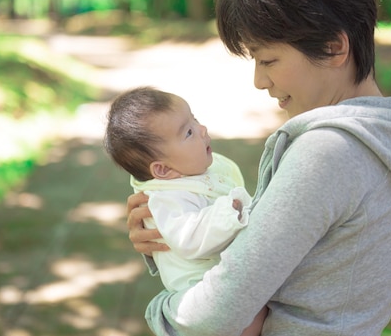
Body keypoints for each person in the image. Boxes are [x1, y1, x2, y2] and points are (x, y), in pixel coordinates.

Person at [125, 0, 391, 336]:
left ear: (334, 47)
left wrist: (161, 308)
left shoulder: (328, 153)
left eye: (268, 60)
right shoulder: (384, 139)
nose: (258, 81)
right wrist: (176, 233)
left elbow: (213, 316)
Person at [104, 86, 268, 336]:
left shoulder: (195, 173)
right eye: (189, 132)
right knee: (251, 318)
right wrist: (229, 212)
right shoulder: (167, 198)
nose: (202, 130)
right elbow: (189, 238)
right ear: (163, 170)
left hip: (224, 276)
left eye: (195, 119)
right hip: (199, 288)